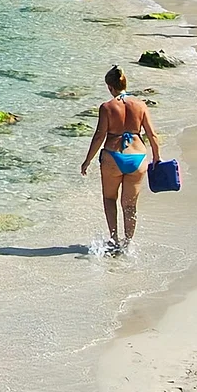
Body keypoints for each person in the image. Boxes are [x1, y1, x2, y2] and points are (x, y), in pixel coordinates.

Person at [80, 66, 161, 253]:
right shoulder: (140, 105)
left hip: (112, 157)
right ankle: (128, 244)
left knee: (110, 198)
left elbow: (99, 136)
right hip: (138, 157)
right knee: (130, 204)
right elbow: (152, 134)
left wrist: (87, 160)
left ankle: (114, 240)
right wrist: (156, 157)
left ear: (110, 87)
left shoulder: (107, 107)